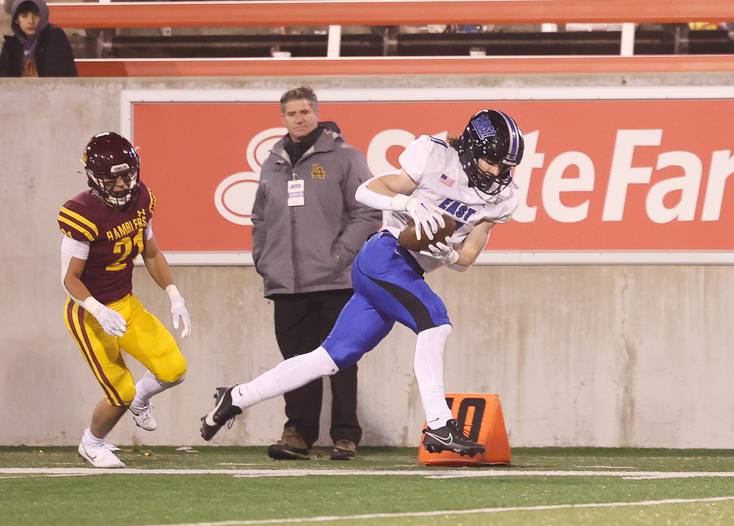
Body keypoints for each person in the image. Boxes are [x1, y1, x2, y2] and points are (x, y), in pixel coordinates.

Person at [201, 109, 524, 456]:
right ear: (471, 148)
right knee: (436, 322)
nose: (498, 172)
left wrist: (448, 256)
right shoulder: (434, 156)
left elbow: (469, 254)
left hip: (406, 273)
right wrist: (410, 205)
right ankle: (440, 425)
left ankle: (236, 397)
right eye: (492, 161)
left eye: (506, 165)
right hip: (384, 255)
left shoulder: (503, 197)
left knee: (327, 358)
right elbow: (365, 192)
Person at [249, 86, 381, 460]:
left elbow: (369, 212)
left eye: (305, 111)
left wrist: (340, 255)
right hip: (286, 284)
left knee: (342, 358)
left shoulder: (345, 158)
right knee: (294, 363)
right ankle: (299, 434)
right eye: (292, 113)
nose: (299, 118)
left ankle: (345, 435)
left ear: (316, 113)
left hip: (335, 281)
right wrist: (263, 257)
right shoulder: (271, 163)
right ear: (283, 119)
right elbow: (259, 216)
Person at [59, 131, 190, 468]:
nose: (120, 185)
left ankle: (141, 401)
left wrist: (174, 294)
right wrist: (96, 309)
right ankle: (92, 443)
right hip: (88, 313)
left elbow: (152, 251)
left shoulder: (142, 198)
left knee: (174, 369)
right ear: (92, 177)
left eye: (126, 175)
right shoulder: (82, 212)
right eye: (111, 178)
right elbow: (69, 278)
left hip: (125, 303)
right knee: (120, 392)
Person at [0, 0, 77, 77]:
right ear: (16, 20)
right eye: (24, 16)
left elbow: (62, 73)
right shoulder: (11, 44)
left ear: (43, 16)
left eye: (36, 15)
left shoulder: (54, 37)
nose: (31, 21)